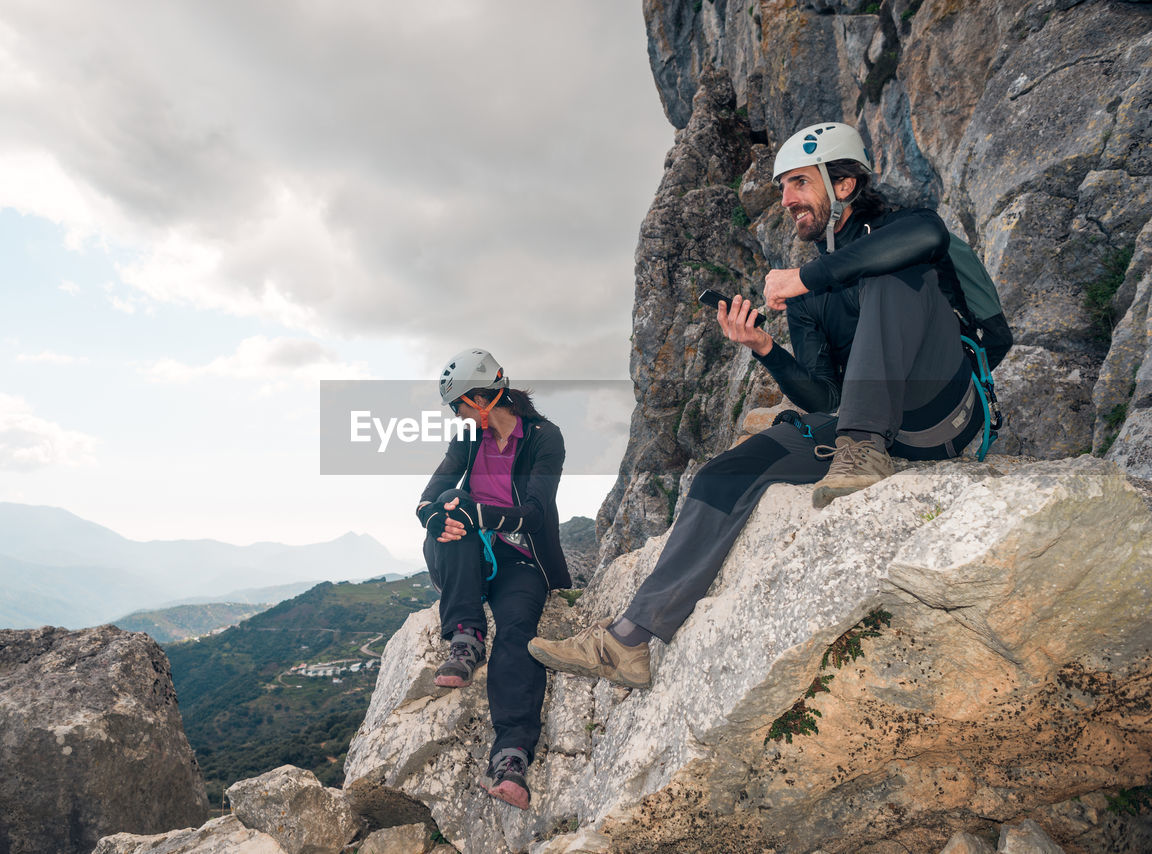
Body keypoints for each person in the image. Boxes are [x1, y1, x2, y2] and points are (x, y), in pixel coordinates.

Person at [528, 121, 985, 689]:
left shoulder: (904, 229)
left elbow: (928, 238)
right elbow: (825, 397)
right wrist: (764, 347)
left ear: (843, 183)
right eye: (782, 187)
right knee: (725, 473)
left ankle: (862, 448)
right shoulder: (808, 299)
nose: (786, 199)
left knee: (888, 277)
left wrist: (804, 279)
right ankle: (627, 640)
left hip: (943, 413)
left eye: (798, 182)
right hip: (869, 428)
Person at [416, 348, 570, 809]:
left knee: (518, 633)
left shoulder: (545, 438)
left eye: (457, 404)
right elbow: (427, 499)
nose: (456, 414)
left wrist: (475, 511)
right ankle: (465, 637)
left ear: (481, 398)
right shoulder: (468, 437)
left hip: (523, 558)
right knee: (448, 509)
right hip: (468, 556)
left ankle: (512, 757)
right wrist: (439, 518)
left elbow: (535, 514)